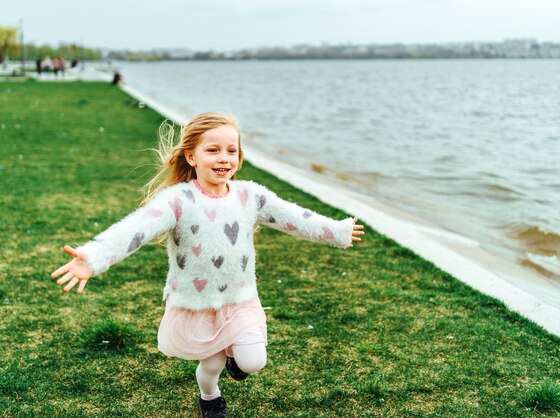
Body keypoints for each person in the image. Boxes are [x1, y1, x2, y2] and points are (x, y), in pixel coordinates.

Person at [51, 112, 365, 417]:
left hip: (240, 300)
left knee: (253, 361)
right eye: (212, 150)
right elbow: (136, 228)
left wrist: (338, 232)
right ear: (191, 156)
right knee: (211, 365)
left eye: (232, 150)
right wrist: (94, 257)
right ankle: (209, 396)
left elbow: (295, 218)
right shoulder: (177, 200)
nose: (224, 158)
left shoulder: (250, 196)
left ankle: (236, 358)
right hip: (196, 303)